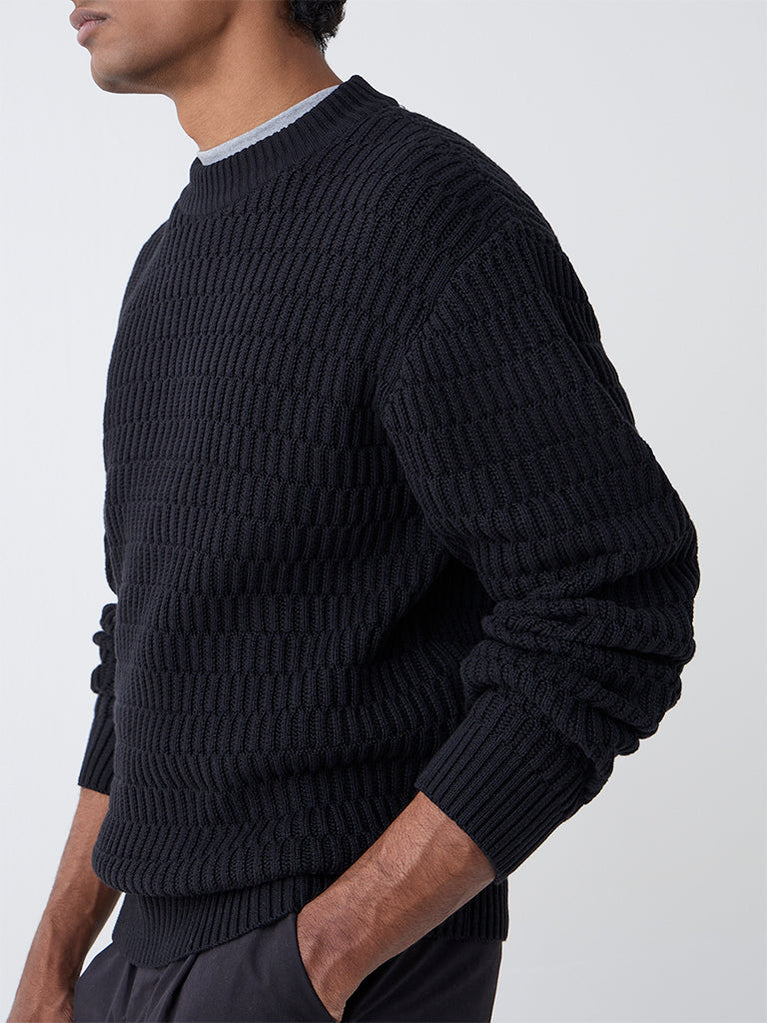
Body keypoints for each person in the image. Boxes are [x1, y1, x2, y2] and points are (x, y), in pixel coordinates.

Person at [8, 2, 701, 1021]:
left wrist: (327, 952)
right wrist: (52, 965)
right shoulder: (170, 262)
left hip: (332, 966)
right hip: (138, 960)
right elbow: (147, 639)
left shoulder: (426, 215)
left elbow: (609, 601)